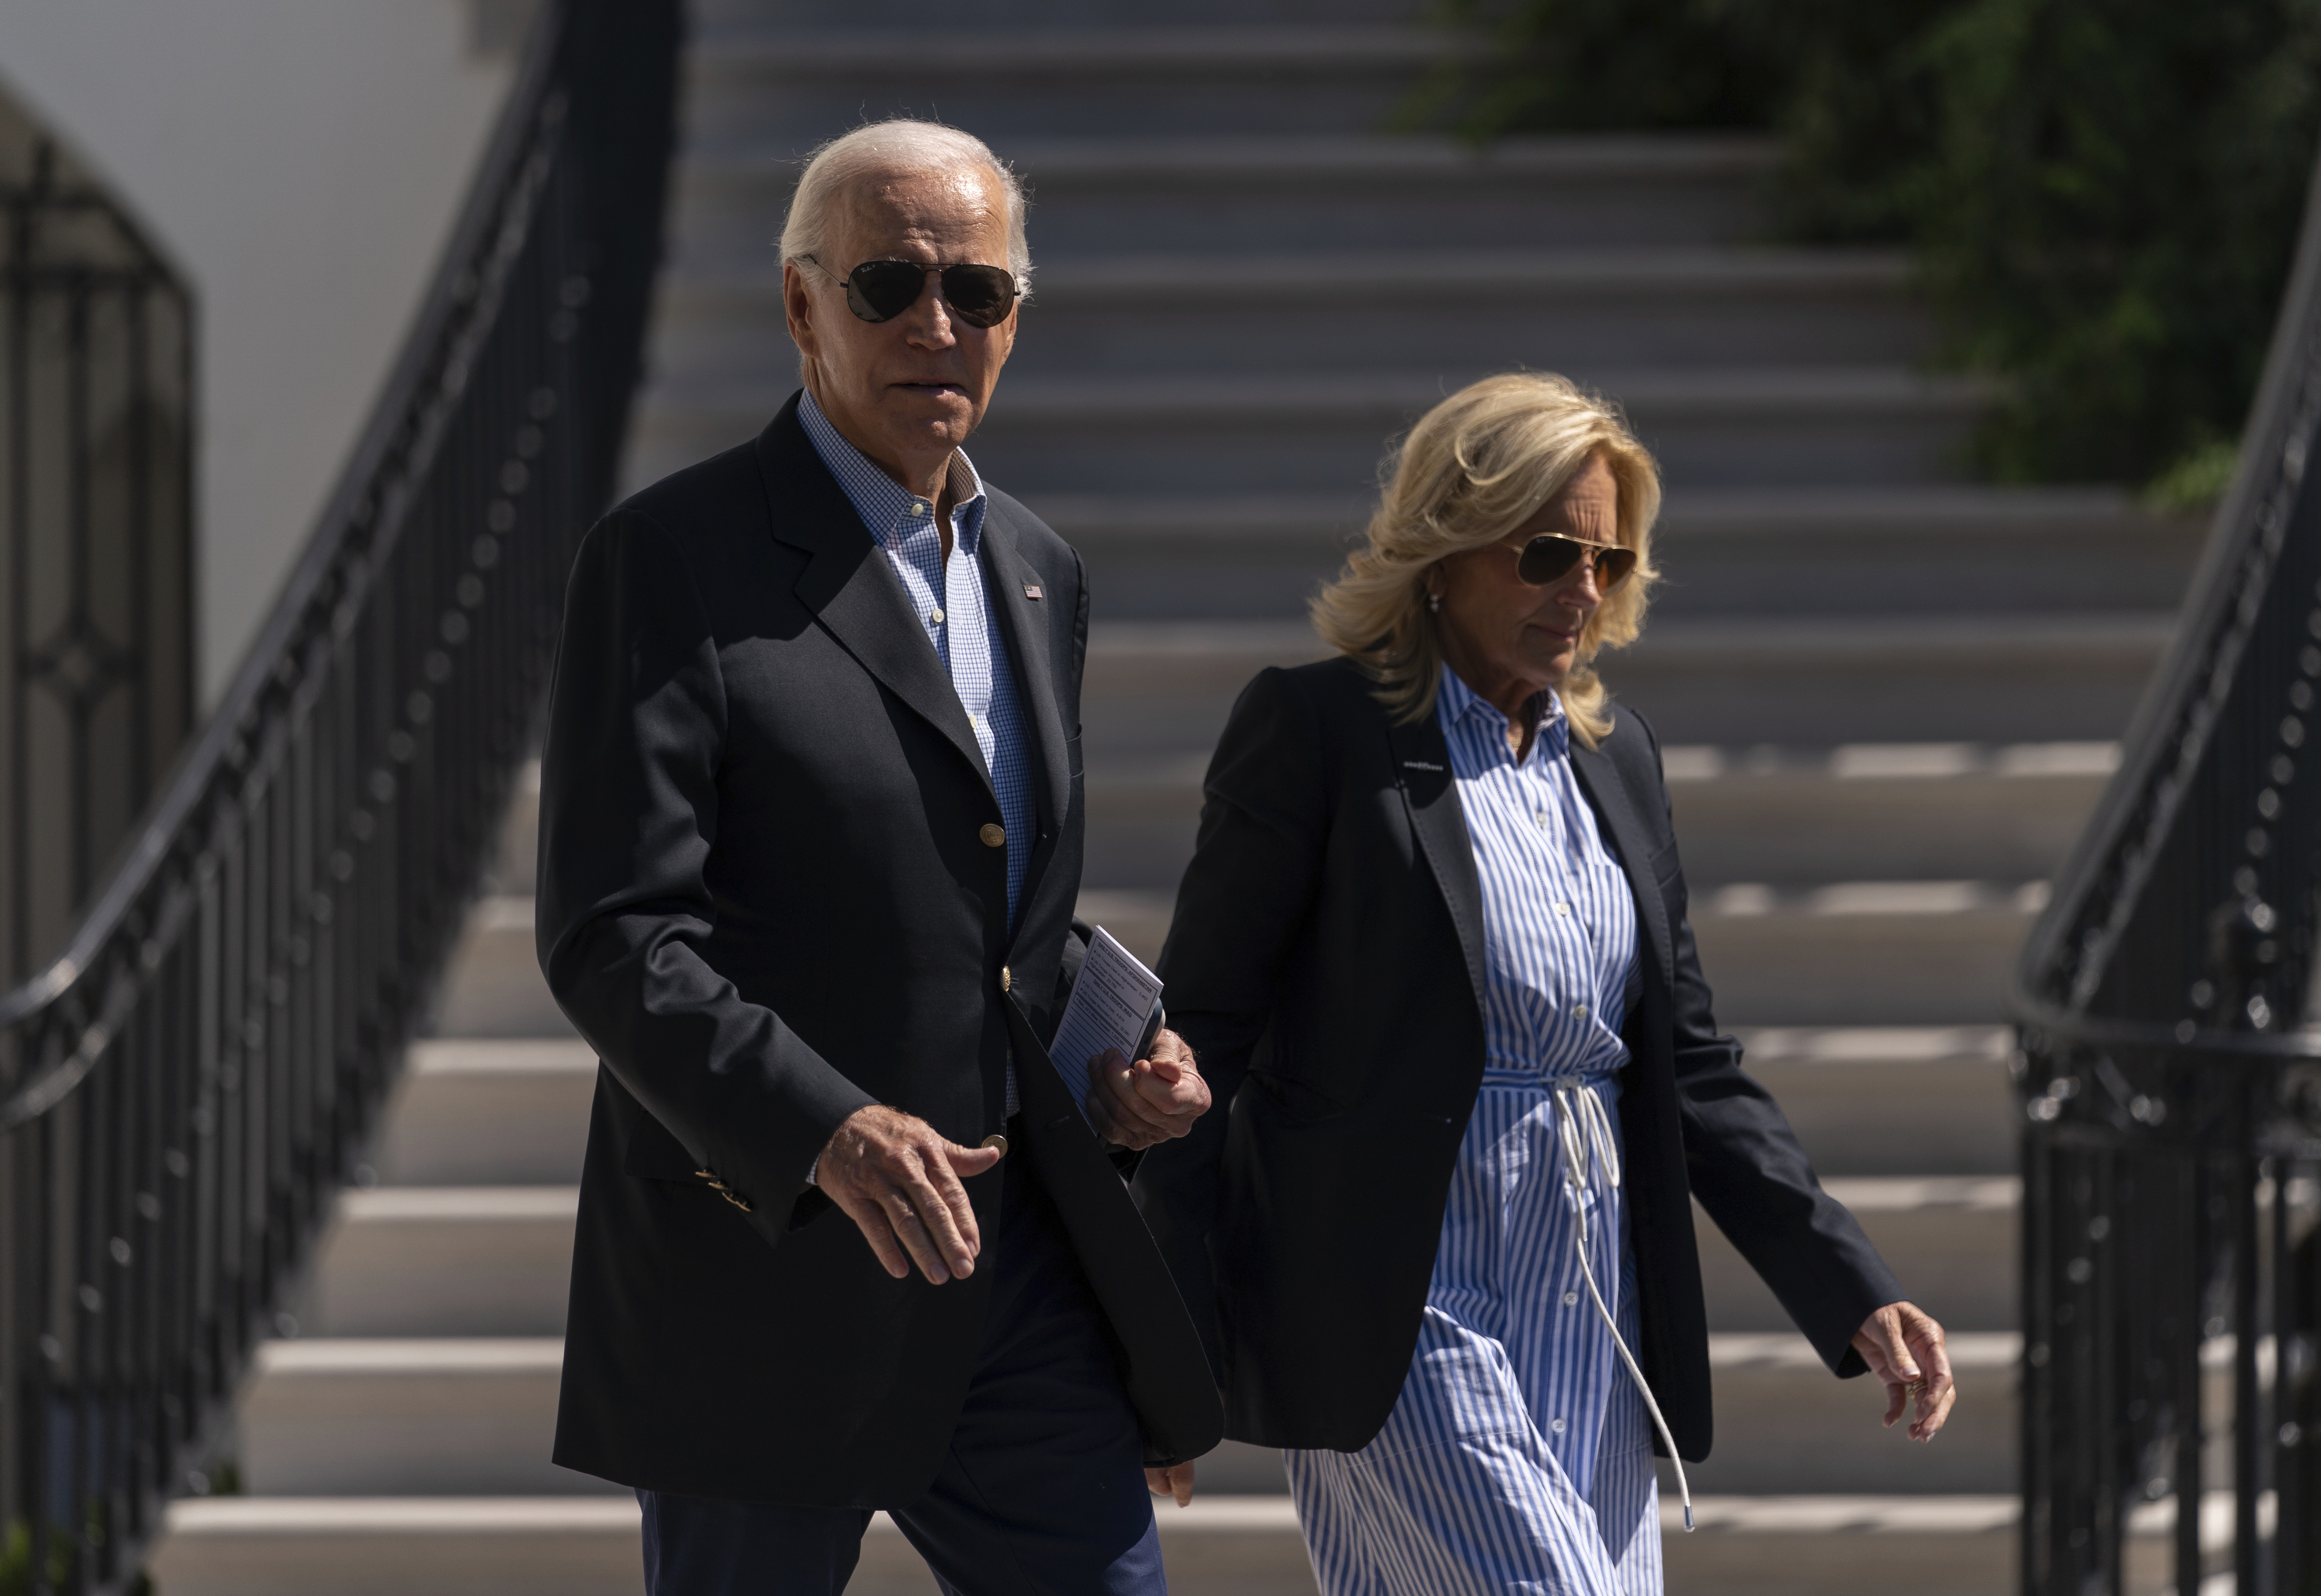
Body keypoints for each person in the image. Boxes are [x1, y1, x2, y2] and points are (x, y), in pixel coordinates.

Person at [535, 119, 1220, 1596]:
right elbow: (612, 932)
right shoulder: (670, 558)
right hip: (763, 1279)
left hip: (1017, 1277)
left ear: (1016, 325)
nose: (937, 324)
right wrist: (828, 1128)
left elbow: (992, 914)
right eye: (888, 283)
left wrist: (1109, 1074)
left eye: (977, 293)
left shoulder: (1041, 568)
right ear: (800, 307)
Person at [1131, 371, 1957, 1593]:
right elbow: (1197, 1049)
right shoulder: (1319, 730)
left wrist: (1850, 1281)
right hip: (1393, 1302)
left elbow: (1694, 1065)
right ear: (1445, 551)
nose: (1581, 590)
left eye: (1609, 564)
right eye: (1547, 553)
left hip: (1593, 1302)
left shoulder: (1616, 764)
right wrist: (1171, 1357)